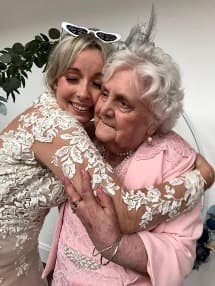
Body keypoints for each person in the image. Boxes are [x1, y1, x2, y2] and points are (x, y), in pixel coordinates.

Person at [0, 23, 213, 286]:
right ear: (55, 78)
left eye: (97, 84)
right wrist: (200, 179)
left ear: (153, 121)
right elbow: (121, 212)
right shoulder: (59, 126)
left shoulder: (168, 156)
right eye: (73, 78)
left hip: (23, 256)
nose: (86, 95)